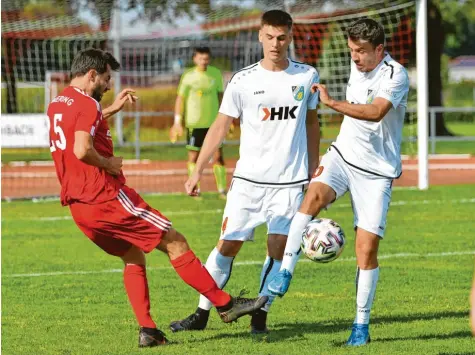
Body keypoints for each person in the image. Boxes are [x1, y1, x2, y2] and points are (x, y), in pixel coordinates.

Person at [47, 48, 268, 348]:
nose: (109, 85)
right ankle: (225, 304)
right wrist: (108, 164)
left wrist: (112, 109)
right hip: (106, 197)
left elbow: (83, 123)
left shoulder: (59, 103)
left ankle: (149, 331)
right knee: (175, 241)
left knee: (133, 256)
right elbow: (82, 149)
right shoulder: (87, 105)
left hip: (79, 208)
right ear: (91, 75)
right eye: (107, 79)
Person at [169, 10, 320, 334]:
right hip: (248, 182)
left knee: (277, 247)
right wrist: (197, 171)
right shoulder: (243, 80)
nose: (275, 44)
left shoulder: (306, 76)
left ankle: (260, 313)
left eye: (281, 38)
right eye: (269, 37)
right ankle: (202, 312)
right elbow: (220, 126)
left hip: (289, 182)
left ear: (290, 37)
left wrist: (313, 172)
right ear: (259, 36)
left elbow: (311, 124)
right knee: (227, 246)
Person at [268, 18, 410, 346]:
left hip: (376, 173)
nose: (355, 58)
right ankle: (285, 271)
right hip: (342, 156)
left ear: (380, 50)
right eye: (351, 51)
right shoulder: (356, 60)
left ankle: (361, 326)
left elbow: (376, 112)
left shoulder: (395, 75)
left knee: (366, 250)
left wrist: (332, 104)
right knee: (311, 199)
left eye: (361, 52)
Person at [170, 46, 227, 198]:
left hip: (214, 124)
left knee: (218, 157)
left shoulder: (215, 74)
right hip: (194, 124)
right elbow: (180, 99)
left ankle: (222, 190)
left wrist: (226, 118)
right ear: (195, 59)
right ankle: (195, 189)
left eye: (206, 58)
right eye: (201, 58)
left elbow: (221, 97)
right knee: (193, 158)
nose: (204, 61)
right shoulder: (188, 76)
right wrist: (177, 122)